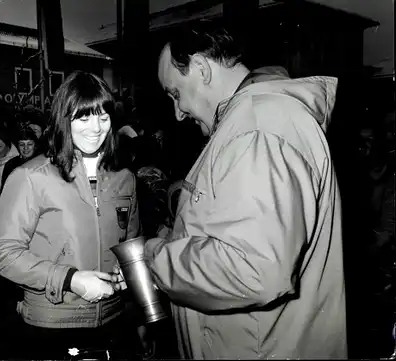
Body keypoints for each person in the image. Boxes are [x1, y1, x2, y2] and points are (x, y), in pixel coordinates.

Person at [114, 24, 346, 359]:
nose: (178, 114)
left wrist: (156, 258)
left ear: (203, 69)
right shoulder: (254, 122)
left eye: (176, 94)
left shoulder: (257, 128)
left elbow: (255, 271)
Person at [0, 71, 140, 360]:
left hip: (116, 321)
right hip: (53, 324)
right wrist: (70, 279)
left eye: (103, 117)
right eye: (84, 117)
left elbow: (131, 242)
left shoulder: (125, 177)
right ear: (63, 119)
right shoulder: (31, 177)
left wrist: (130, 285)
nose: (96, 128)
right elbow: (0, 252)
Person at [0, 128, 40, 194]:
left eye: (29, 144)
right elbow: (4, 192)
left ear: (35, 145)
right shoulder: (11, 164)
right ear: (17, 146)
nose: (25, 148)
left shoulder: (42, 163)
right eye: (22, 144)